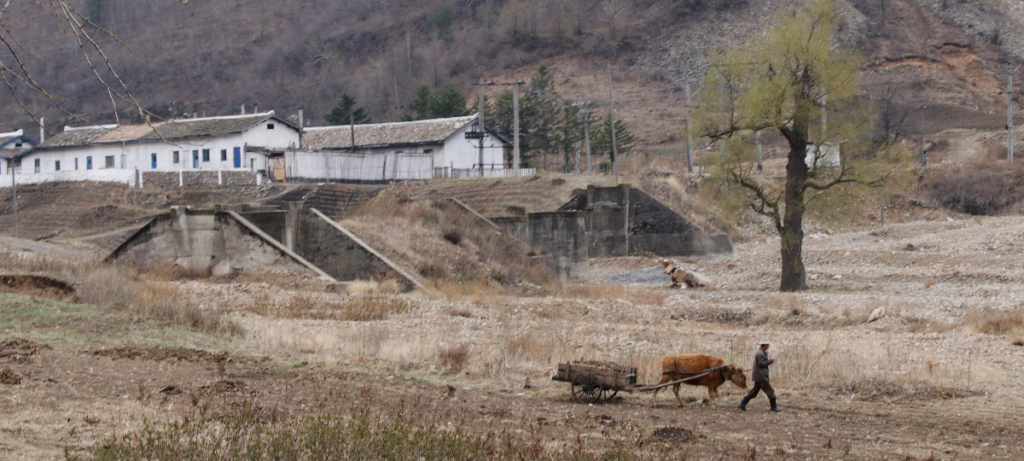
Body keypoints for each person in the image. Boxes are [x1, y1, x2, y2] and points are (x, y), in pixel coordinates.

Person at [739, 340, 782, 412]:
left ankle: (742, 404)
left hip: (759, 376)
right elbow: (761, 364)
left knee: (753, 392)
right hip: (761, 376)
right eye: (767, 344)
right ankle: (774, 407)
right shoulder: (761, 353)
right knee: (770, 391)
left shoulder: (760, 352)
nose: (768, 346)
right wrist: (771, 361)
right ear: (764, 345)